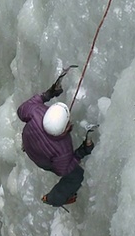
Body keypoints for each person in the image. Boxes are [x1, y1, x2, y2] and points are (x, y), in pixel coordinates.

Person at [17, 79, 94, 207]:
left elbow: (21, 110)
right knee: (76, 175)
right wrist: (83, 151)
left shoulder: (36, 111)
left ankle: (28, 146)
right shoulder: (62, 149)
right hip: (43, 160)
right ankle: (54, 199)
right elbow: (62, 170)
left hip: (29, 144)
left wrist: (48, 93)